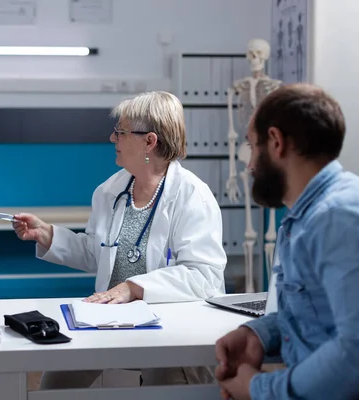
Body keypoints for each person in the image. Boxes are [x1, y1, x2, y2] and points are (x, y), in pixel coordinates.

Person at [12, 91, 227, 388]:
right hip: (110, 322)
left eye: (121, 132)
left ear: (149, 141)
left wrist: (136, 288)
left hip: (170, 327)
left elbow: (204, 275)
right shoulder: (110, 192)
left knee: (162, 381)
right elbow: (96, 254)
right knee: (55, 384)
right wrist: (48, 235)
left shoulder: (192, 196)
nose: (113, 138)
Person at [215, 83, 359, 400]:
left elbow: (354, 351)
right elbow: (321, 317)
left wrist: (259, 389)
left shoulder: (336, 219)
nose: (250, 165)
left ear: (276, 142)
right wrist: (260, 334)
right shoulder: (302, 219)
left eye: (253, 147)